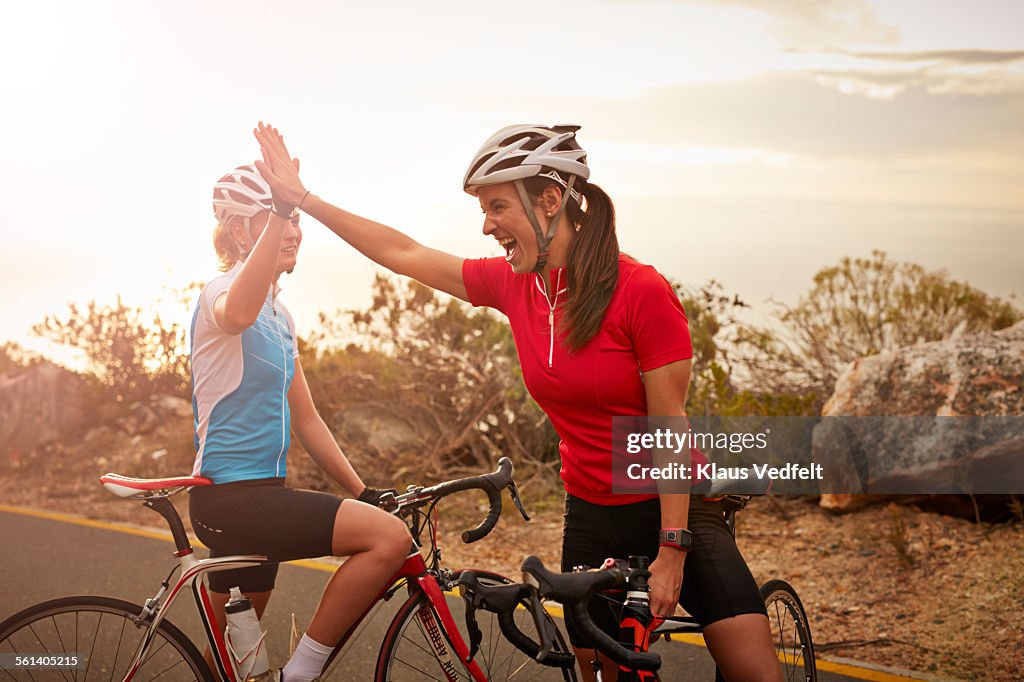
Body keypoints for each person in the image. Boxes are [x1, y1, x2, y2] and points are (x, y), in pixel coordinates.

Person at [253, 122, 783, 682]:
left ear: (551, 201)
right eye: (484, 210)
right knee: (604, 673)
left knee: (755, 672)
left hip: (674, 508)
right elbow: (404, 253)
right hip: (591, 511)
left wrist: (672, 550)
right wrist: (303, 200)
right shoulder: (515, 286)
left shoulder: (641, 292)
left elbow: (668, 427)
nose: (487, 226)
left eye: (498, 206)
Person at [189, 163, 411, 681]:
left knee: (228, 663)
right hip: (231, 499)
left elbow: (307, 418)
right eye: (273, 217)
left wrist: (363, 490)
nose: (290, 229)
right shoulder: (218, 294)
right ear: (239, 232)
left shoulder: (280, 317)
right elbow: (235, 315)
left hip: (261, 496)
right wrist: (285, 205)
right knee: (389, 539)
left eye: (292, 219)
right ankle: (303, 674)